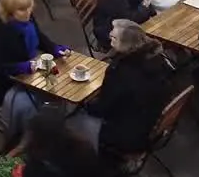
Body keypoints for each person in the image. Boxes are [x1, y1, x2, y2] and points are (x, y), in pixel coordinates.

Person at [0, 0, 65, 152]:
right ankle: (25, 139)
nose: (27, 13)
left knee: (57, 88)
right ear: (9, 11)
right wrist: (23, 67)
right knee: (37, 100)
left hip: (25, 70)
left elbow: (39, 37)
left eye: (29, 7)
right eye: (21, 10)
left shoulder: (27, 19)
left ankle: (48, 129)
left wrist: (55, 49)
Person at [72, 20, 170, 160]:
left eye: (114, 37)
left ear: (126, 44)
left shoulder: (121, 71)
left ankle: (89, 162)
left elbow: (103, 108)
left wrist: (84, 105)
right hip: (148, 124)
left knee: (79, 119)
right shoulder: (157, 60)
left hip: (129, 136)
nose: (109, 34)